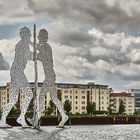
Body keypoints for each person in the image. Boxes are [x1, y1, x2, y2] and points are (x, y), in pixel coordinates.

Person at [0, 27, 33, 127]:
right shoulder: (22, 45)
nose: (28, 36)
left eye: (29, 34)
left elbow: (29, 55)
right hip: (17, 71)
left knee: (15, 99)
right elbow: (29, 56)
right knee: (28, 94)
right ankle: (20, 118)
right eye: (27, 34)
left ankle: (15, 119)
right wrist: (37, 54)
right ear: (23, 35)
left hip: (17, 71)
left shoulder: (23, 44)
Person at [37, 29, 68, 127]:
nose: (38, 39)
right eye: (38, 37)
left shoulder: (46, 47)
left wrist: (37, 56)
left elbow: (46, 58)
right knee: (54, 98)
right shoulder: (43, 47)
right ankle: (64, 116)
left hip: (49, 76)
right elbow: (38, 49)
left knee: (41, 96)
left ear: (44, 38)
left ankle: (38, 116)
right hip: (50, 76)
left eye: (40, 37)